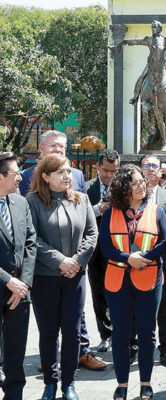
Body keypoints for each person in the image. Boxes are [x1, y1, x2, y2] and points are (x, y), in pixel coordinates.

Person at [19, 130, 104, 372]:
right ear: (42, 149)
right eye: (54, 146)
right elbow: (29, 231)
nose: (59, 150)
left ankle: (82, 353)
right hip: (46, 269)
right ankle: (50, 364)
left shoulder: (77, 176)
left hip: (76, 267)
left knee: (74, 322)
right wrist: (59, 261)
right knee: (49, 325)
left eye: (63, 147)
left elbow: (86, 222)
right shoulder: (25, 179)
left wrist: (77, 260)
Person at [27, 154, 98, 400]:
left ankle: (69, 383)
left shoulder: (83, 200)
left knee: (72, 331)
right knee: (48, 332)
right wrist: (60, 261)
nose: (67, 176)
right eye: (60, 172)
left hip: (75, 277)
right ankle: (50, 383)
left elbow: (92, 234)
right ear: (45, 177)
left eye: (69, 171)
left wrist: (76, 261)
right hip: (45, 278)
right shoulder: (32, 203)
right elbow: (32, 239)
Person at [100, 164, 166, 400]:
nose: (143, 185)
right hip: (117, 281)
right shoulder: (110, 213)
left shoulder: (157, 210)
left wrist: (144, 258)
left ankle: (145, 383)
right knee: (120, 334)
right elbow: (105, 248)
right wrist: (127, 258)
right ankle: (121, 383)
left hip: (149, 280)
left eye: (143, 181)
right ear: (124, 187)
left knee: (147, 333)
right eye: (136, 182)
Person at [0, 152, 37, 400]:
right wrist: (7, 280)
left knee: (15, 352)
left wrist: (22, 282)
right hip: (5, 283)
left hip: (19, 293)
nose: (20, 177)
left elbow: (31, 243)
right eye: (15, 173)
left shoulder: (20, 202)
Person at [140, 154, 166, 369]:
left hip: (164, 261)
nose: (151, 169)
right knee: (138, 308)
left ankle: (165, 349)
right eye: (147, 165)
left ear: (161, 170)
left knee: (164, 308)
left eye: (155, 166)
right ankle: (136, 347)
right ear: (140, 168)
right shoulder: (131, 195)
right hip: (136, 260)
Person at [86, 149, 120, 353]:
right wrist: (99, 208)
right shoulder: (86, 188)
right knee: (99, 294)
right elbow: (80, 215)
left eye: (114, 171)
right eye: (105, 170)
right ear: (98, 167)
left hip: (118, 250)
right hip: (95, 252)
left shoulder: (124, 188)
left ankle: (121, 332)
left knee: (118, 293)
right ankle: (105, 335)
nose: (109, 175)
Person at [109, 20, 166, 105]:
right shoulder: (149, 39)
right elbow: (138, 41)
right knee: (142, 77)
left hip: (163, 63)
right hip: (151, 63)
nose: (153, 29)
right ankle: (135, 97)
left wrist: (161, 55)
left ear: (160, 28)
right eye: (152, 27)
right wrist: (126, 42)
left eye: (155, 27)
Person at [19, 130, 86, 196]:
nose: (57, 149)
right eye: (53, 146)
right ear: (41, 148)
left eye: (61, 146)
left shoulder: (77, 175)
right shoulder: (25, 176)